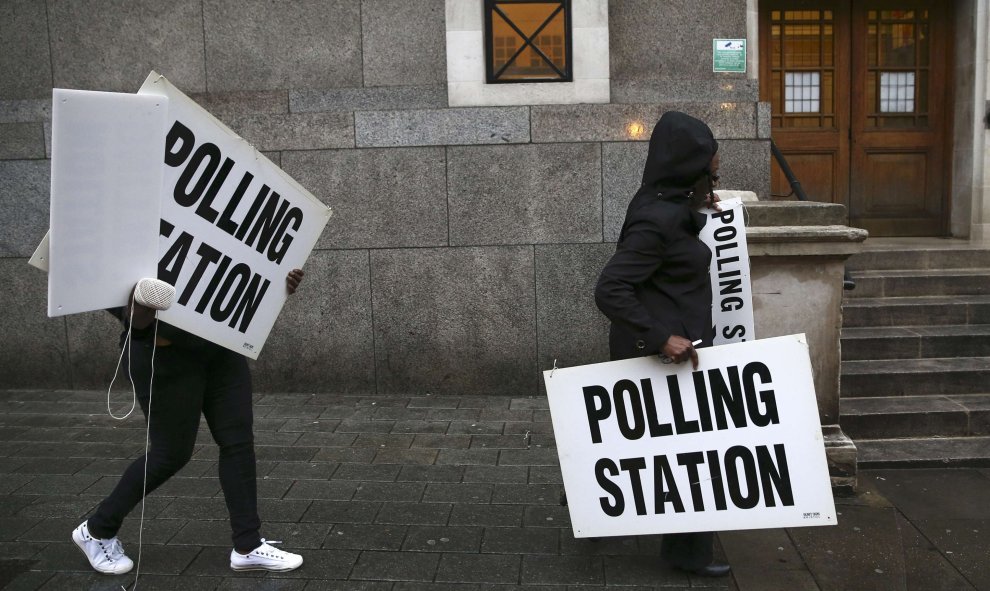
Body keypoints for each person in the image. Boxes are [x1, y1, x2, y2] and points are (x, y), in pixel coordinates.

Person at [72, 270, 306, 575]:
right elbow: (107, 284)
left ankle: (248, 546)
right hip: (166, 357)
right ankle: (97, 529)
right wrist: (137, 310)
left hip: (221, 348)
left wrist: (276, 282)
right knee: (170, 454)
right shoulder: (130, 230)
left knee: (238, 443)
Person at [594, 111, 731, 578]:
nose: (716, 174)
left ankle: (589, 501)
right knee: (688, 455)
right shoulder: (659, 217)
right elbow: (610, 288)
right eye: (712, 169)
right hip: (665, 356)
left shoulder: (663, 204)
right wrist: (660, 338)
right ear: (690, 168)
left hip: (674, 354)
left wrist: (696, 212)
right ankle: (688, 554)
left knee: (664, 452)